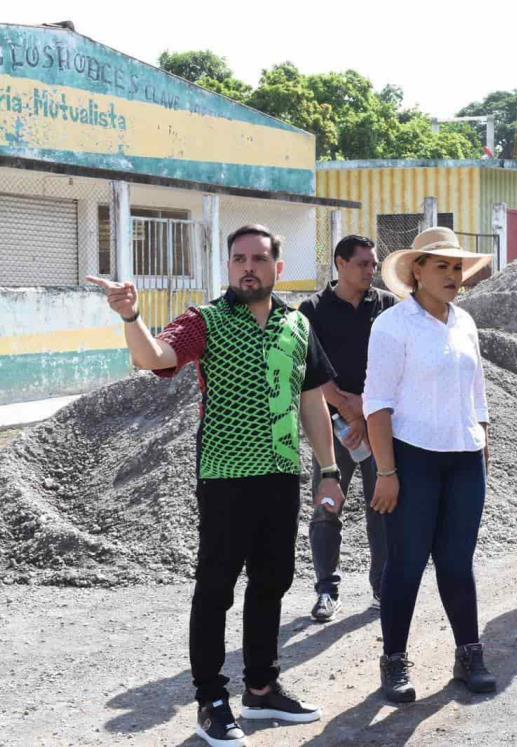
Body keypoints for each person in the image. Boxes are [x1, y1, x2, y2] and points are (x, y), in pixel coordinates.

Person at [88, 224, 344, 747]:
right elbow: (153, 357)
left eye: (257, 258)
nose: (247, 267)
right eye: (237, 259)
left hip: (280, 477)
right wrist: (130, 317)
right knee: (216, 588)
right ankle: (211, 699)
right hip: (225, 477)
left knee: (272, 581)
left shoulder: (297, 325)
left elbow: (312, 399)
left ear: (277, 268)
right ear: (228, 267)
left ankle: (262, 688)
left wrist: (330, 469)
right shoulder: (205, 321)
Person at [364, 226, 496, 703]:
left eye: (457, 267)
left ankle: (469, 655)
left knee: (458, 563)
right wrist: (386, 470)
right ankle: (394, 663)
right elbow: (376, 404)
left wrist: (484, 443)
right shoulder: (393, 326)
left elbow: (477, 393)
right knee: (406, 564)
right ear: (416, 271)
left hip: (464, 458)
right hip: (413, 458)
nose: (452, 275)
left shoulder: (465, 323)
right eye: (441, 265)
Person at [298, 234, 397, 622]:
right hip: (331, 426)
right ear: (340, 263)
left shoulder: (387, 306)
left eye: (374, 264)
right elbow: (308, 367)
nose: (371, 271)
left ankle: (382, 588)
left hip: (379, 423)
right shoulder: (312, 310)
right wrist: (346, 408)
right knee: (327, 507)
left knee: (383, 508)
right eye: (363, 264)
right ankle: (327, 590)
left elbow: (396, 365)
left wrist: (366, 412)